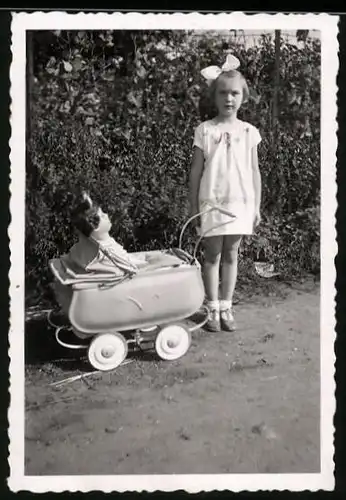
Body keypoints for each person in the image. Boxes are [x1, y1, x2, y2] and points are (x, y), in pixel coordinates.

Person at [189, 54, 262, 332]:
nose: (228, 99)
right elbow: (195, 171)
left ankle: (227, 307)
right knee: (212, 255)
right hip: (212, 202)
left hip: (241, 202)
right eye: (223, 93)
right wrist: (193, 205)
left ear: (243, 96)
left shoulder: (249, 131)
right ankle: (212, 308)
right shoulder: (205, 130)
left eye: (234, 93)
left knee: (232, 254)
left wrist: (255, 207)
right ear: (214, 96)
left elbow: (255, 172)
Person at [67, 192, 181, 276]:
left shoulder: (92, 242)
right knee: (174, 261)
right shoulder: (107, 251)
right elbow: (133, 268)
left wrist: (87, 202)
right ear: (95, 227)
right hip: (133, 267)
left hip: (130, 261)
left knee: (160, 257)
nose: (106, 215)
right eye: (102, 216)